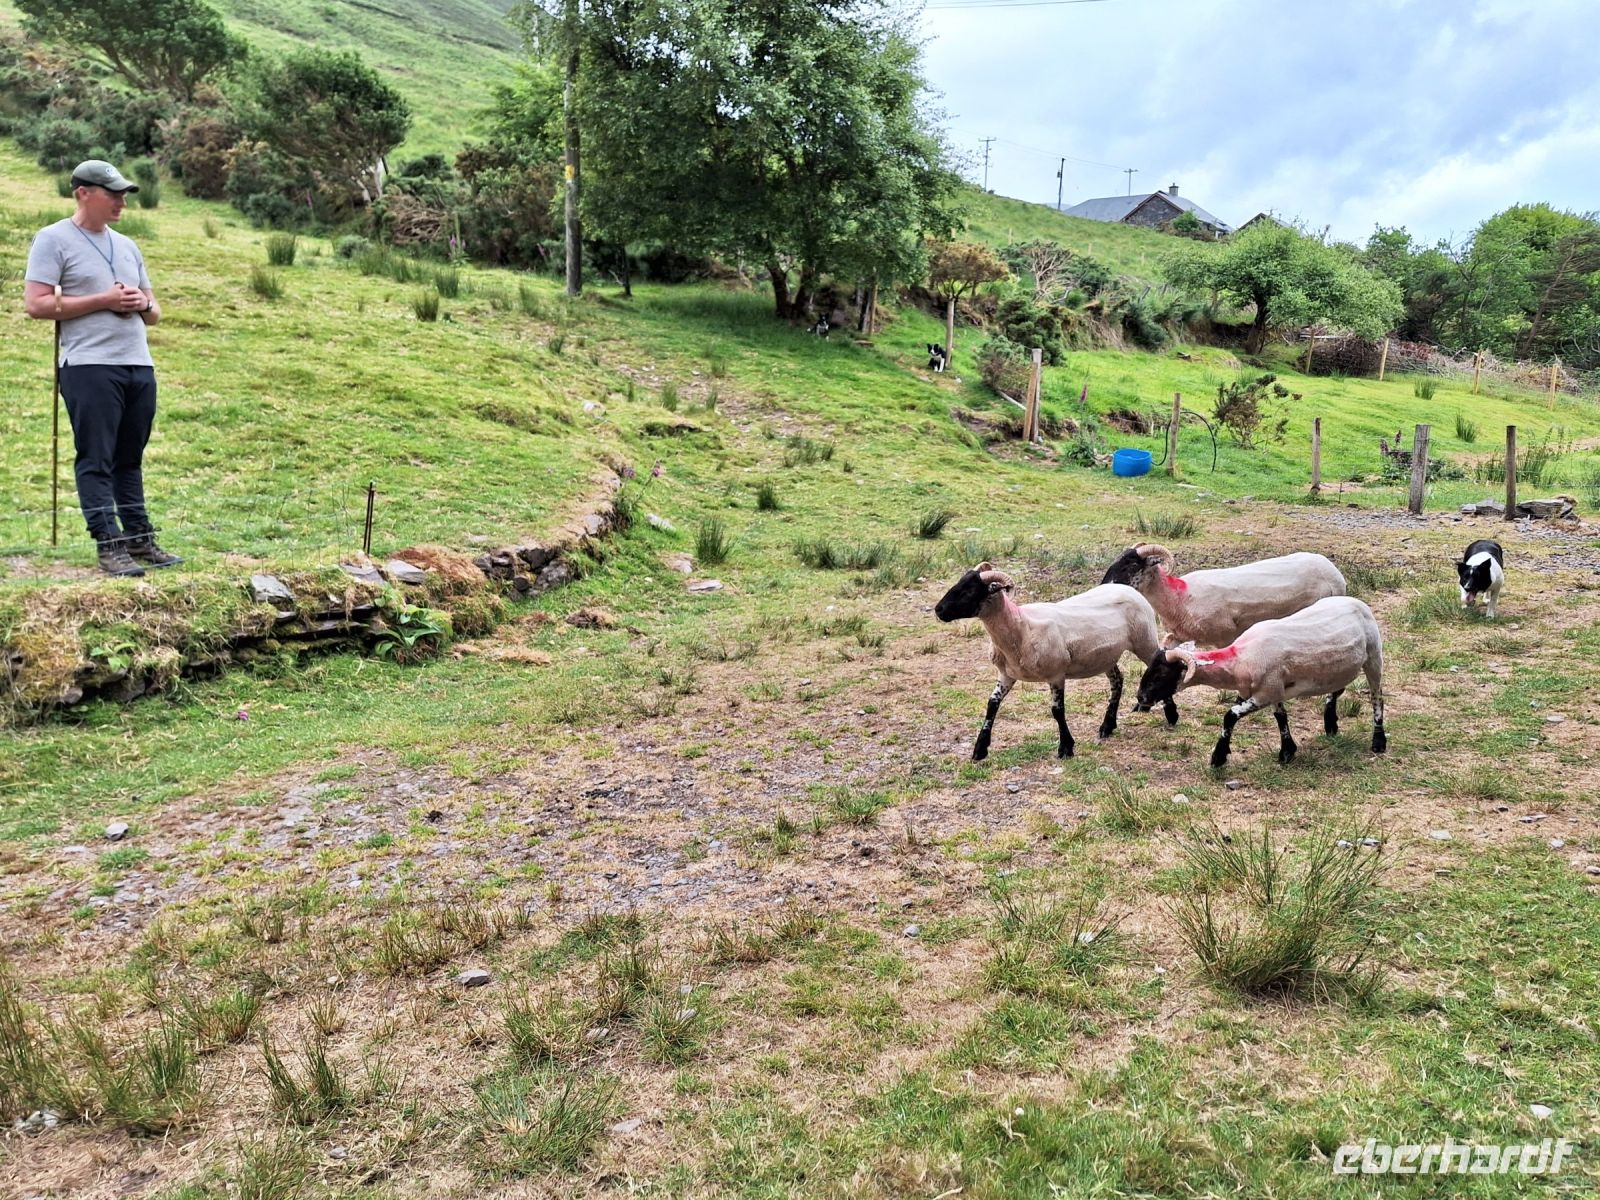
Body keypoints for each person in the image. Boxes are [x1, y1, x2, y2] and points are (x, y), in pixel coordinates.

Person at [23, 159, 181, 576]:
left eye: (124, 196)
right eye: (112, 195)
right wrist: (102, 301)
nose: (121, 204)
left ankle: (140, 538)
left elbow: (155, 310)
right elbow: (36, 304)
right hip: (89, 365)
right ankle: (108, 544)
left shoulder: (128, 245)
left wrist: (141, 303)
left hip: (137, 363)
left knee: (130, 457)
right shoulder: (53, 239)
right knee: (97, 457)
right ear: (83, 193)